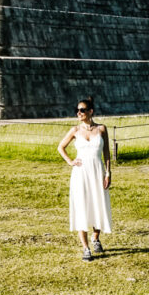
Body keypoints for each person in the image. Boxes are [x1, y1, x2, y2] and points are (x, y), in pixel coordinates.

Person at [57, 96, 112, 261]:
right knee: (82, 207)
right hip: (80, 174)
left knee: (98, 205)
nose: (78, 113)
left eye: (82, 110)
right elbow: (60, 147)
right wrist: (70, 161)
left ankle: (95, 238)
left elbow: (107, 152)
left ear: (90, 111)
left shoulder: (101, 129)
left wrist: (108, 173)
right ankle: (86, 248)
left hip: (97, 172)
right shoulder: (75, 130)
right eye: (77, 110)